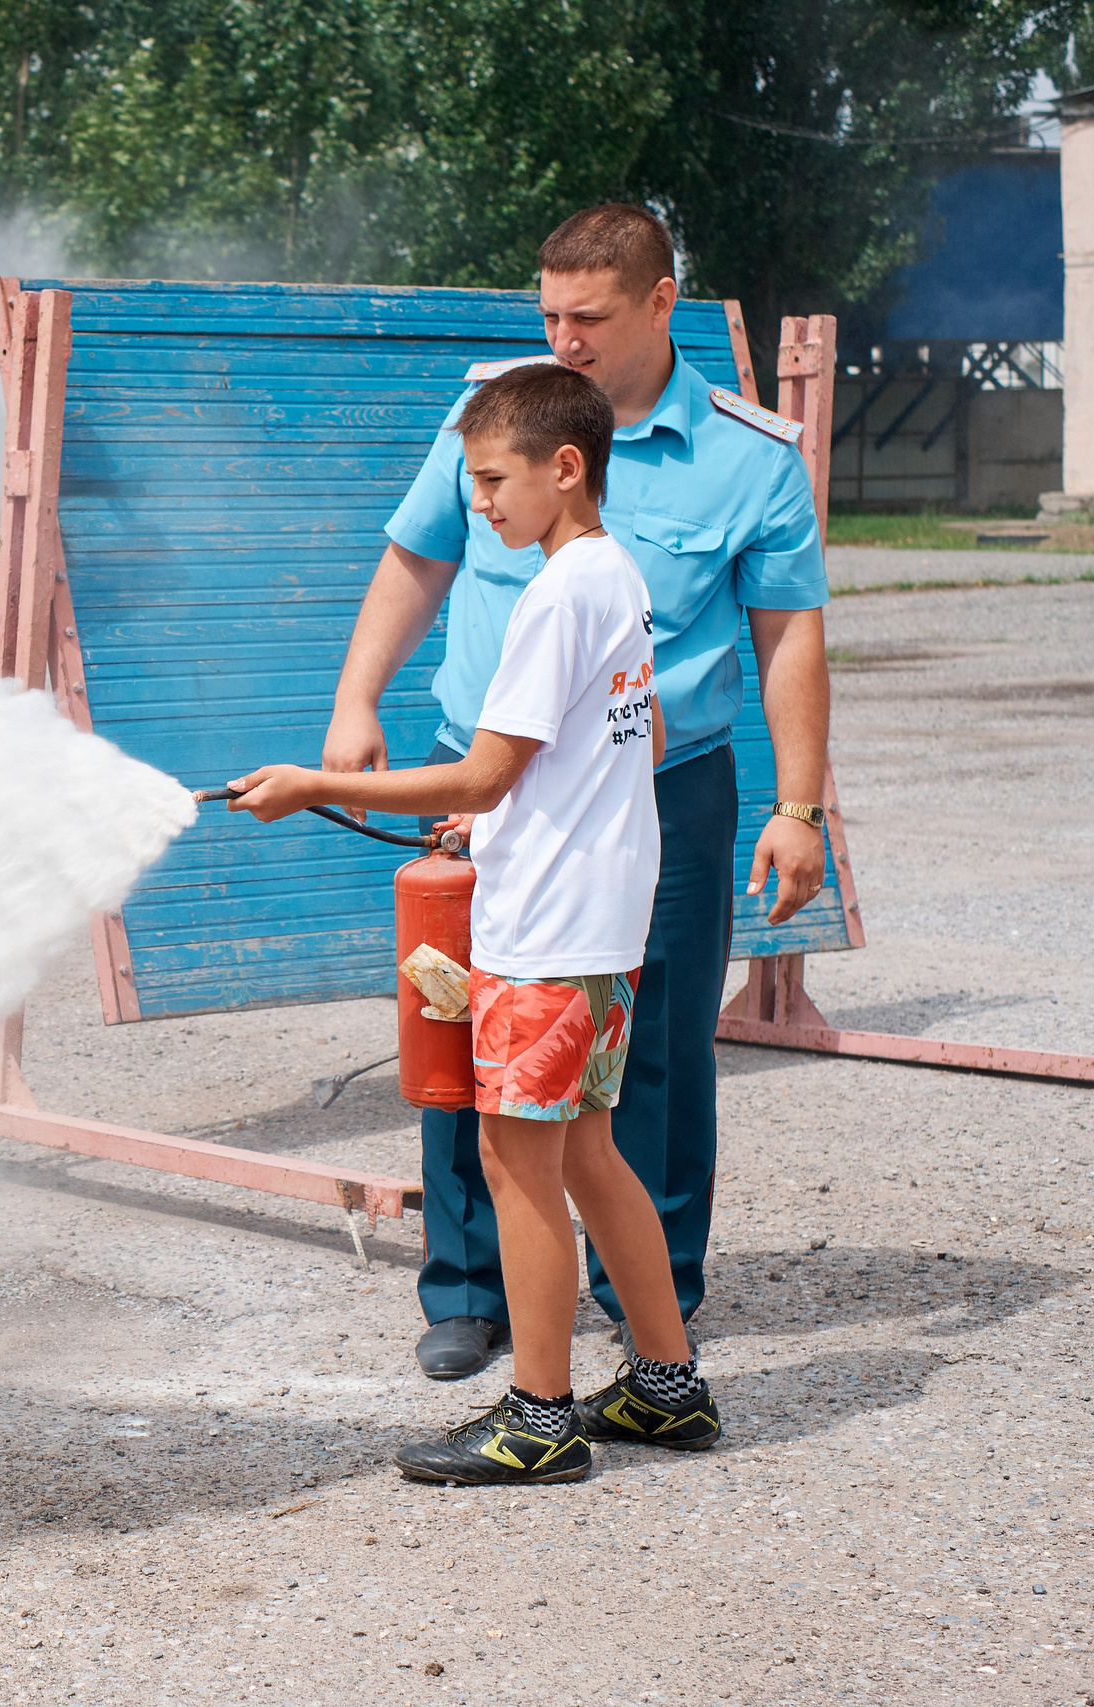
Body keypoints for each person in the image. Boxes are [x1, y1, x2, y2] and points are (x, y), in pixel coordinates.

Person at [324, 204, 832, 1380]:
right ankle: (468, 1287)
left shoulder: (746, 456)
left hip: (663, 791)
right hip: (483, 780)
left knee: (651, 1044)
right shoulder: (504, 412)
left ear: (662, 303)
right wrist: (356, 702)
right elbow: (415, 557)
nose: (564, 338)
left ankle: (648, 1296)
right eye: (547, 313)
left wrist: (798, 808)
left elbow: (789, 640)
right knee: (464, 1028)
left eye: (588, 317)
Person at [210, 362, 719, 1483]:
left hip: (548, 930)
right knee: (588, 1152)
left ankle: (539, 1419)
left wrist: (313, 783)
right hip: (594, 912)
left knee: (515, 1157)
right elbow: (592, 759)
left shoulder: (555, 596)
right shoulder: (613, 575)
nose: (478, 503)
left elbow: (483, 773)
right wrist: (492, 835)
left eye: (491, 480)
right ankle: (667, 1387)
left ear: (564, 466)